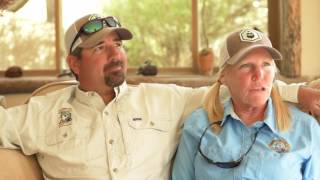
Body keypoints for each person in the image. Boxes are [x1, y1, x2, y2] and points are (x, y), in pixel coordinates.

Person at [0, 14, 318, 179]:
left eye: (119, 45)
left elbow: (237, 86)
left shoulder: (163, 100)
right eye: (100, 48)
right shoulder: (41, 113)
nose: (116, 54)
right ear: (74, 63)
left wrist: (297, 91)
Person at [172, 29, 320, 180]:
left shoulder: (306, 129)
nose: (259, 74)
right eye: (246, 65)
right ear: (224, 77)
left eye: (266, 64)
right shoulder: (198, 124)